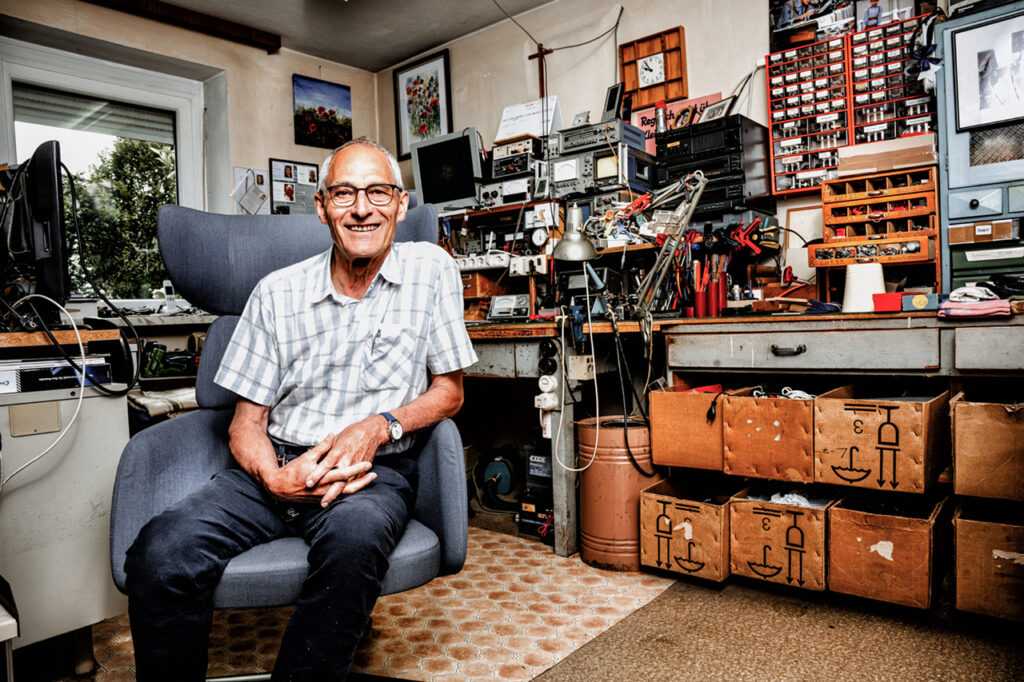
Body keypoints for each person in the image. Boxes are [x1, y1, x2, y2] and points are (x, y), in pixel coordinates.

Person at [123, 137, 478, 681]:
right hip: (276, 464)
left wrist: (379, 426)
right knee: (160, 551)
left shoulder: (432, 270)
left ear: (401, 204)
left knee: (354, 545)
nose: (362, 209)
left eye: (378, 192)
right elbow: (245, 424)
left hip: (369, 473)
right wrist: (275, 477)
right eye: (344, 194)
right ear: (321, 207)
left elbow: (449, 391)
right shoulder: (276, 294)